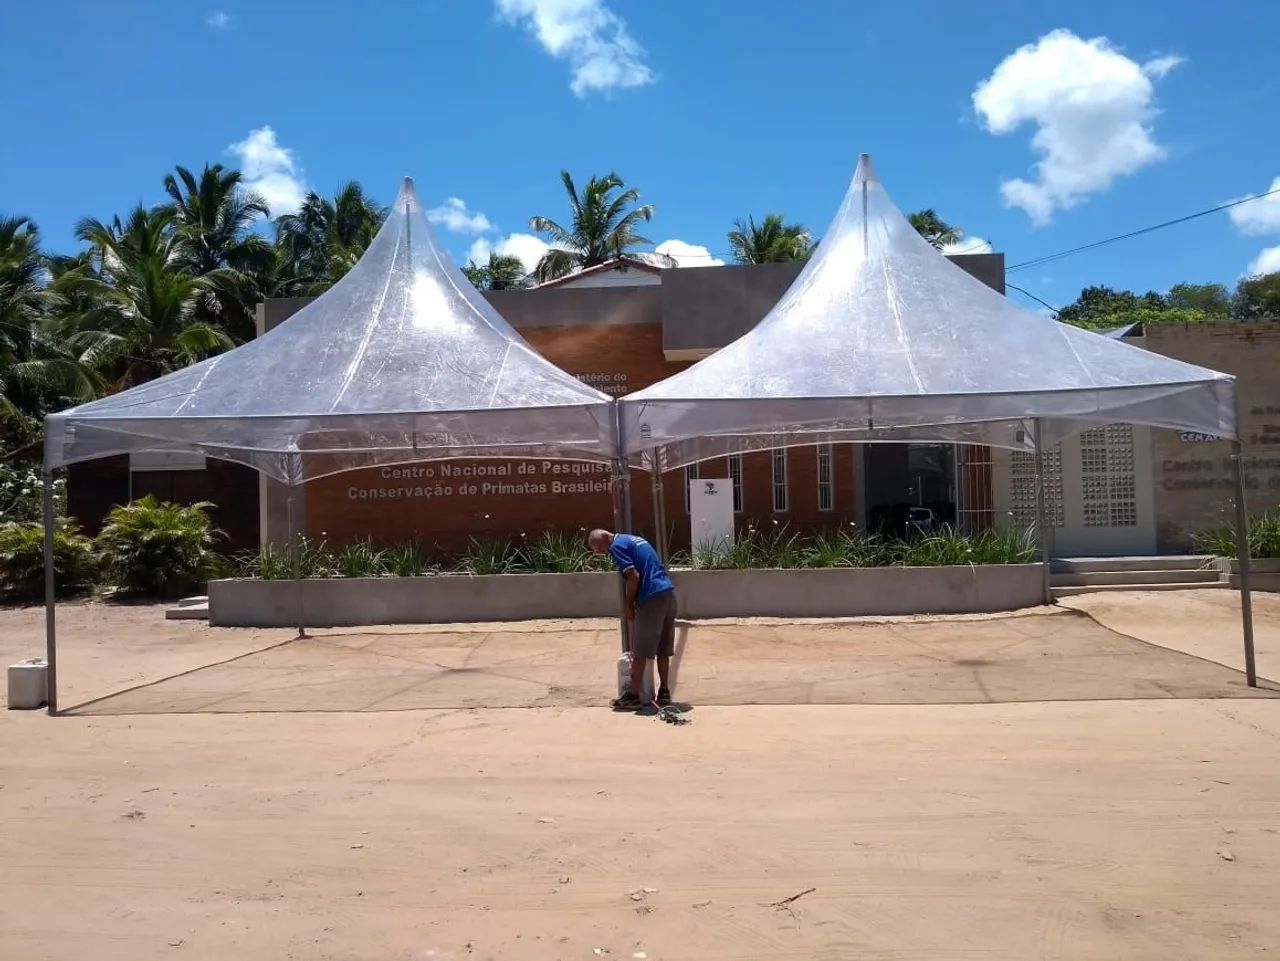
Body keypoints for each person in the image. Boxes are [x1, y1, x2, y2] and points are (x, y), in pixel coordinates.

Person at [588, 528, 676, 710]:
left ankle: (633, 696)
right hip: (667, 594)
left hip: (651, 598)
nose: (601, 553)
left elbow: (633, 577)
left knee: (640, 651)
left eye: (599, 548)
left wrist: (628, 605)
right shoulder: (633, 540)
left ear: (605, 537)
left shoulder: (616, 546)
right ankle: (664, 692)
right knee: (663, 648)